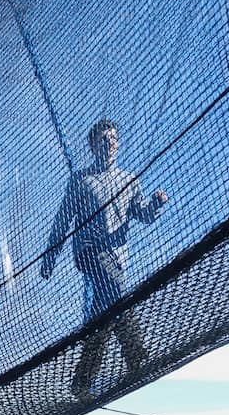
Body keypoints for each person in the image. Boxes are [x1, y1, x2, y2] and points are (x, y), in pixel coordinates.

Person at [41, 119, 167, 400]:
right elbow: (63, 220)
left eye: (112, 138)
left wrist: (156, 205)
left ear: (118, 143)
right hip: (88, 251)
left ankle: (81, 382)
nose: (108, 143)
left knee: (104, 315)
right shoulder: (81, 180)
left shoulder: (130, 180)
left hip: (117, 258)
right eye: (102, 139)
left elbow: (143, 215)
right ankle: (137, 360)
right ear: (92, 145)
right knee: (118, 295)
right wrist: (50, 257)